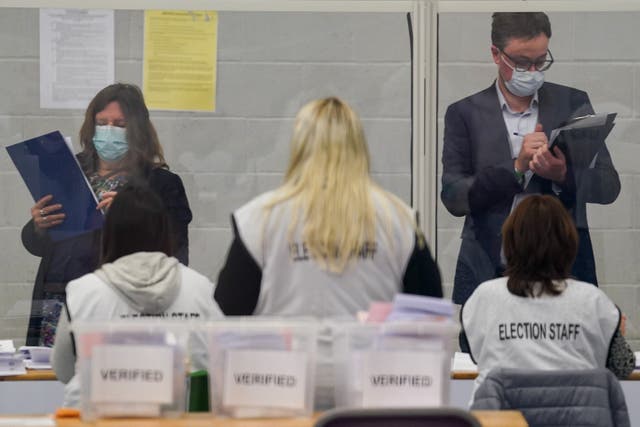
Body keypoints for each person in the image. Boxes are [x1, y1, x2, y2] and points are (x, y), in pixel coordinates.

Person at [214, 96, 442, 409]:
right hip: (369, 394)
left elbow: (227, 311)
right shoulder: (398, 220)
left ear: (299, 146)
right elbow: (428, 314)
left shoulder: (261, 219)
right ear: (358, 146)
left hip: (280, 393)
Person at [441, 12, 620, 308]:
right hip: (490, 268)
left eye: (541, 61)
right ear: (496, 55)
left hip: (565, 273)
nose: (533, 71)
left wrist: (562, 174)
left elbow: (609, 186)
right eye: (523, 63)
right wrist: (516, 169)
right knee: (478, 352)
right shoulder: (465, 113)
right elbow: (454, 198)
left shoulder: (572, 102)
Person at [21, 83, 192, 346]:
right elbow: (39, 245)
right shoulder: (69, 171)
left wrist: (131, 218)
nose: (109, 131)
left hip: (117, 302)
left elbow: (176, 254)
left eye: (120, 124)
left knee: (106, 374)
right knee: (50, 378)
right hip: (58, 298)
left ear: (138, 129)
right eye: (102, 123)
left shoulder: (161, 184)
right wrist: (39, 225)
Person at [51, 185, 222, 408]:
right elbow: (219, 366)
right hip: (181, 418)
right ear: (164, 231)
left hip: (98, 419)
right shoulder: (201, 289)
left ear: (110, 233)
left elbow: (64, 369)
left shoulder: (83, 291)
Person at [461, 195, 635, 403]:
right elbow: (623, 366)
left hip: (501, 417)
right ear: (568, 243)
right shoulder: (593, 301)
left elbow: (474, 354)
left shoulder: (484, 298)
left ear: (510, 241)